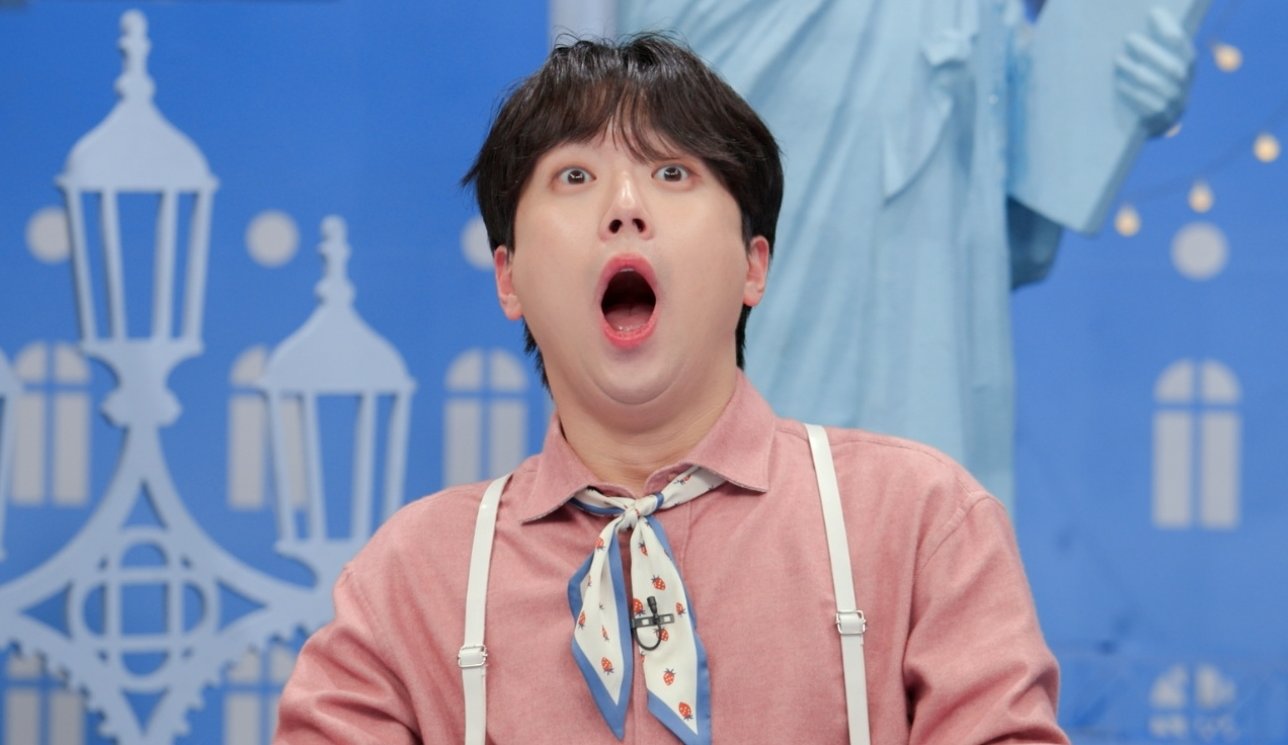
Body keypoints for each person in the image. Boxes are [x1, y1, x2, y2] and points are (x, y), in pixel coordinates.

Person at [275, 34, 1069, 744]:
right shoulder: (411, 579)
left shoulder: (921, 523)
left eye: (671, 172)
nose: (625, 208)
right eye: (576, 175)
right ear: (508, 277)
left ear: (753, 265)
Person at [619, 0, 1197, 509]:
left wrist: (1110, 100)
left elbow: (1007, 238)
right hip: (757, 376)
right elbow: (649, 151)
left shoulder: (977, 14)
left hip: (923, 394)